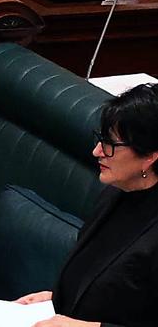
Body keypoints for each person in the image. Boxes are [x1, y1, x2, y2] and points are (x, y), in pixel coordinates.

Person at [16, 83, 158, 327]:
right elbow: (102, 283)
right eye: (100, 139)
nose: (96, 151)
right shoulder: (114, 194)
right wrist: (55, 299)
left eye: (110, 144)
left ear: (149, 156)